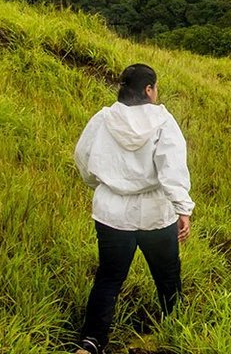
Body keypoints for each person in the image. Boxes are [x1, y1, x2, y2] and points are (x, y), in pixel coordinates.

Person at [72, 64, 193, 354]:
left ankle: (91, 342)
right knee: (167, 277)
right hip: (156, 213)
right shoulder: (163, 120)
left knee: (109, 279)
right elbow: (172, 167)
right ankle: (174, 331)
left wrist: (101, 185)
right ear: (149, 89)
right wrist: (183, 209)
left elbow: (82, 157)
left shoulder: (104, 118)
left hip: (112, 213)